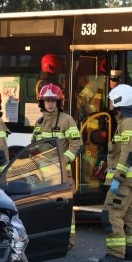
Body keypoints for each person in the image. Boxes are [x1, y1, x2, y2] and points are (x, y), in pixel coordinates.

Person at [32, 83, 83, 246]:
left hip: (61, 173)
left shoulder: (66, 120)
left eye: (53, 100)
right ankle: (48, 239)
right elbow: (33, 147)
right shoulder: (39, 123)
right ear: (42, 102)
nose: (50, 103)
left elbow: (77, 144)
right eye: (47, 100)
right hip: (43, 174)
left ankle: (68, 240)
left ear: (59, 102)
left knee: (64, 207)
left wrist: (62, 161)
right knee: (44, 207)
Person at [100, 84, 132, 262]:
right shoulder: (129, 121)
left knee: (111, 214)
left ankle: (115, 253)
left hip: (124, 181)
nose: (111, 105)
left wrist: (117, 178)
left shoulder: (129, 123)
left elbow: (129, 154)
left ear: (120, 101)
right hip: (131, 181)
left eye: (112, 101)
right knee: (130, 216)